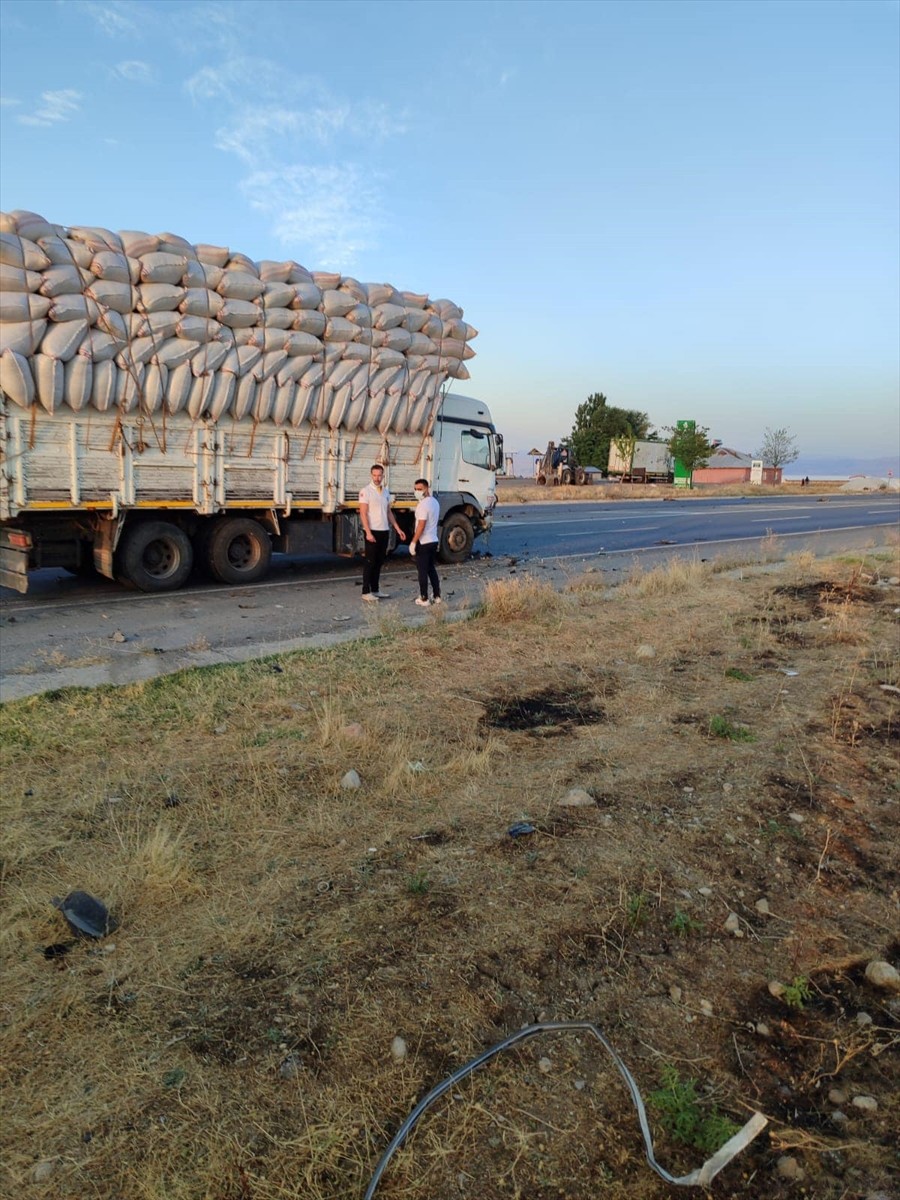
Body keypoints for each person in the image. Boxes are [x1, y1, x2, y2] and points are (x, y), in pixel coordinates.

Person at [359, 464, 406, 601]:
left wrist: (397, 528)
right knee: (370, 561)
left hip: (384, 530)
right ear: (371, 475)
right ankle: (365, 591)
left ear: (383, 476)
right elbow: (363, 513)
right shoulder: (366, 491)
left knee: (379, 561)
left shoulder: (385, 492)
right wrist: (368, 532)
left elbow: (388, 512)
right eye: (374, 475)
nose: (377, 478)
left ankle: (375, 589)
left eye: (379, 475)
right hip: (372, 531)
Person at [409, 478, 441, 607]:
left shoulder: (423, 505)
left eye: (420, 489)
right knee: (431, 569)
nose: (417, 491)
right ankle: (437, 595)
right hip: (433, 540)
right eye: (415, 489)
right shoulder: (434, 502)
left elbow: (421, 526)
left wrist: (413, 542)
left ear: (426, 489)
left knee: (422, 571)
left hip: (424, 542)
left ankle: (424, 598)